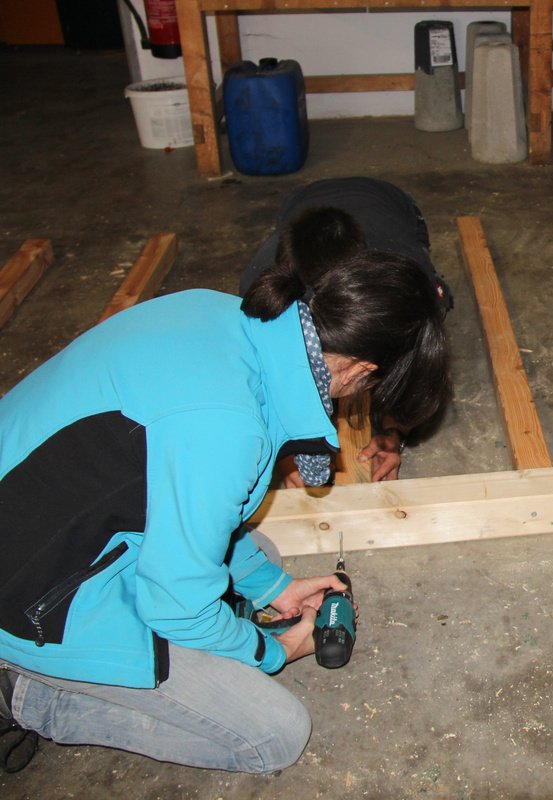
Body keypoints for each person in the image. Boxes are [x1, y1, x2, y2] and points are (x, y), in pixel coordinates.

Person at [0, 248, 450, 772]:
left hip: (47, 515)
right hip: (28, 597)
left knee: (261, 555)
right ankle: (24, 693)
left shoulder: (220, 312)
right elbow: (177, 607)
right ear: (362, 369)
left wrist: (272, 588)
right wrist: (273, 650)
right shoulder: (228, 428)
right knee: (274, 734)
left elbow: (187, 487)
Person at [243, 177, 453, 483]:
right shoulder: (268, 293)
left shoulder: (410, 292)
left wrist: (392, 434)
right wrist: (288, 454)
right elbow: (267, 380)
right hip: (301, 206)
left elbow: (415, 371)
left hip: (388, 199)